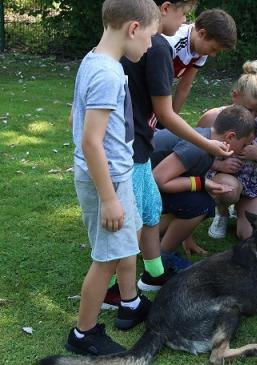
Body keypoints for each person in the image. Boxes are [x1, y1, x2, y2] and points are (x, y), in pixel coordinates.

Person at [67, 0, 159, 356]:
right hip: (108, 181)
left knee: (125, 244)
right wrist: (108, 197)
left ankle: (131, 303)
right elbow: (91, 140)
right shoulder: (107, 73)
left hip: (114, 175)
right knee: (106, 258)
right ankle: (83, 333)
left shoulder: (94, 60)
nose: (150, 46)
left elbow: (76, 119)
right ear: (133, 29)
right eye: (150, 37)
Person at [121, 0, 233, 292]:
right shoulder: (162, 43)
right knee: (135, 209)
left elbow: (179, 90)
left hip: (149, 122)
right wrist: (172, 124)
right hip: (133, 126)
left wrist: (165, 120)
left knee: (149, 207)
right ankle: (119, 284)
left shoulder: (194, 53)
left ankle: (153, 272)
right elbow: (150, 88)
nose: (186, 18)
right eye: (185, 14)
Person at [148, 105, 257, 275]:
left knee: (196, 201)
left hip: (144, 183)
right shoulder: (198, 147)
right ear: (230, 136)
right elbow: (159, 178)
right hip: (137, 188)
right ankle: (162, 258)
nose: (244, 150)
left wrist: (204, 184)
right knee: (201, 204)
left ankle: (153, 247)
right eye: (244, 145)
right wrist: (201, 183)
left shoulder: (205, 138)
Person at [198, 60, 257, 241]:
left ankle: (241, 210)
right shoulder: (213, 118)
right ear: (235, 96)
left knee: (250, 235)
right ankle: (222, 213)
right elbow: (192, 154)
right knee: (230, 190)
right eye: (248, 109)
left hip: (254, 183)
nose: (252, 117)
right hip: (225, 180)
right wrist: (218, 164)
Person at [162, 9, 237, 116]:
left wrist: (173, 116)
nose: (213, 54)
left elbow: (185, 86)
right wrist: (167, 118)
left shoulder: (201, 50)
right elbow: (160, 88)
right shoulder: (172, 43)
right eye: (213, 49)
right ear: (202, 33)